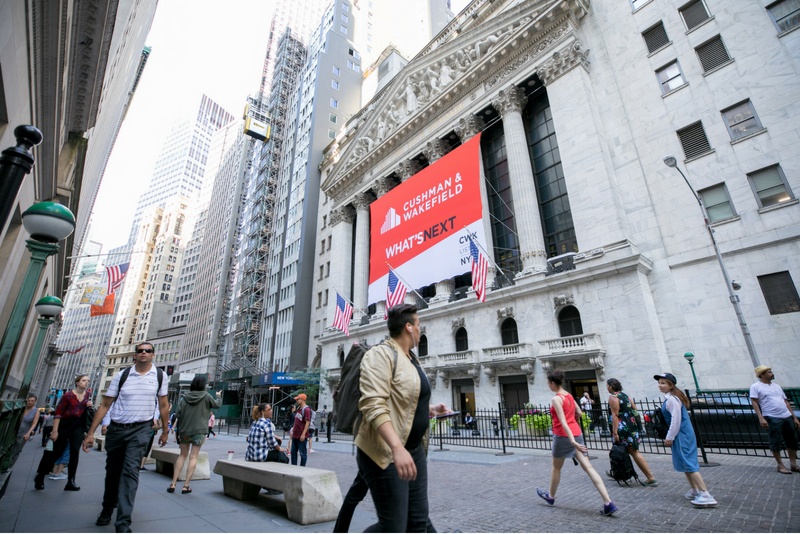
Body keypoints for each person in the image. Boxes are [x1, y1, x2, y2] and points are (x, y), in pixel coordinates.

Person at [355, 303, 452, 532]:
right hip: (385, 453)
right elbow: (373, 404)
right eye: (419, 325)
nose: (420, 330)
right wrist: (397, 448)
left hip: (414, 450)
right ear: (409, 327)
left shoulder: (411, 359)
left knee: (418, 522)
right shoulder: (380, 355)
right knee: (393, 527)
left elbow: (405, 401)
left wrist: (432, 410)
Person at [83, 342, 170, 533]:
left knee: (131, 472)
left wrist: (165, 430)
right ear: (135, 356)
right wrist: (91, 433)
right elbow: (105, 405)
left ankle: (123, 522)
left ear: (153, 355)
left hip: (142, 430)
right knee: (113, 472)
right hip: (117, 429)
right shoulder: (121, 376)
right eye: (140, 351)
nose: (144, 353)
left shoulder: (160, 376)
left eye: (148, 351)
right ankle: (107, 508)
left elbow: (164, 405)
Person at [536, 369, 617, 516]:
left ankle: (551, 496)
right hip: (576, 432)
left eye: (549, 383)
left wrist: (572, 441)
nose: (549, 386)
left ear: (553, 383)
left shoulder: (556, 399)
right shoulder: (569, 396)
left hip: (562, 436)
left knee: (556, 468)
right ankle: (608, 502)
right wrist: (575, 431)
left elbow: (563, 421)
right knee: (588, 467)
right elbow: (579, 413)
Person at [654, 372, 718, 507]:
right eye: (659, 382)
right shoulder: (673, 398)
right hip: (682, 434)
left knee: (689, 463)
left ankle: (705, 493)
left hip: (681, 435)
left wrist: (669, 437)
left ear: (671, 385)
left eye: (663, 383)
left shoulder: (672, 399)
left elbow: (675, 420)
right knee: (685, 463)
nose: (660, 385)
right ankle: (695, 489)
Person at [34, 374, 93, 491]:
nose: (86, 382)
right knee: (56, 452)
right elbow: (58, 413)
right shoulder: (68, 395)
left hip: (78, 426)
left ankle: (71, 481)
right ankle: (40, 476)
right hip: (65, 425)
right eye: (84, 380)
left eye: (88, 381)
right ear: (77, 382)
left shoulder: (88, 395)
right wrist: (55, 431)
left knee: (75, 452)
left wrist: (88, 406)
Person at [168, 375, 221, 493]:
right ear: (203, 385)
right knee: (193, 456)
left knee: (182, 455)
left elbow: (178, 414)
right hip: (199, 431)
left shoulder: (184, 398)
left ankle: (173, 483)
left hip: (185, 430)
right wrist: (218, 396)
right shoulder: (206, 396)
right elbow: (217, 405)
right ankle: (186, 485)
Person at [606, 378, 658, 486]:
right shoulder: (625, 396)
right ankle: (621, 473)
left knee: (632, 452)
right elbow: (634, 410)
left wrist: (615, 433)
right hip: (631, 427)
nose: (606, 388)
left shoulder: (613, 398)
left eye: (607, 385)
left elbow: (615, 416)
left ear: (611, 386)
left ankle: (650, 477)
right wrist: (637, 426)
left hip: (622, 429)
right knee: (629, 451)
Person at [749, 365, 800, 474]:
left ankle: (793, 464)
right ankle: (780, 465)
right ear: (762, 375)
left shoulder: (777, 386)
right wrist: (761, 417)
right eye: (769, 372)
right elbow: (754, 402)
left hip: (786, 416)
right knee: (775, 441)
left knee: (792, 440)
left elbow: (786, 402)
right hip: (771, 416)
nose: (772, 373)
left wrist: (794, 417)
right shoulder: (756, 386)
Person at [7, 394, 40, 468]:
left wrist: (28, 433)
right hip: (13, 432)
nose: (30, 402)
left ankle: (9, 466)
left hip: (23, 434)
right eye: (28, 400)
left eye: (32, 401)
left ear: (35, 402)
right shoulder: (21, 408)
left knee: (16, 451)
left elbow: (34, 423)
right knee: (7, 449)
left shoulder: (36, 411)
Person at [290, 393, 312, 466]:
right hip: (295, 434)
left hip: (301, 435)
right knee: (293, 452)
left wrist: (303, 434)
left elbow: (307, 422)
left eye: (298, 399)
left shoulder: (306, 409)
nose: (296, 400)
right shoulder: (299, 409)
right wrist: (293, 430)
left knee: (302, 453)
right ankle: (294, 467)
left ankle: (302, 467)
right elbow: (296, 422)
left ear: (302, 399)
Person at [139, 404, 162, 471]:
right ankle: (141, 465)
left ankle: (139, 464)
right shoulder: (155, 409)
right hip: (150, 430)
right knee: (147, 447)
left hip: (142, 429)